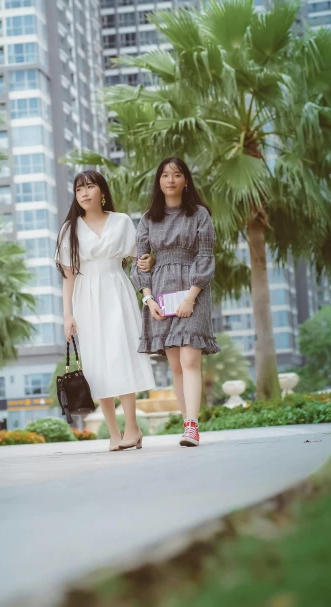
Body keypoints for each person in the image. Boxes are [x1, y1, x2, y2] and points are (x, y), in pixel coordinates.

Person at [55, 170, 156, 452]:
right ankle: (113, 433)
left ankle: (133, 428)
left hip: (117, 291)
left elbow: (140, 258)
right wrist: (67, 314)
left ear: (102, 191)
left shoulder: (122, 221)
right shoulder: (69, 230)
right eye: (79, 190)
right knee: (98, 364)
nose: (85, 193)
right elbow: (68, 276)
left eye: (90, 187)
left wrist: (147, 263)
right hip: (86, 297)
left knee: (122, 355)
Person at [131, 157, 220, 447]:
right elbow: (139, 263)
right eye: (165, 175)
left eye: (177, 174)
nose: (170, 179)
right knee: (176, 366)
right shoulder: (148, 219)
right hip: (161, 293)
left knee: (190, 359)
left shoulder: (199, 215)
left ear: (185, 181)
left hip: (194, 288)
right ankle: (186, 424)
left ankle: (193, 426)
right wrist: (148, 300)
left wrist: (191, 297)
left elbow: (205, 257)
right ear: (159, 181)